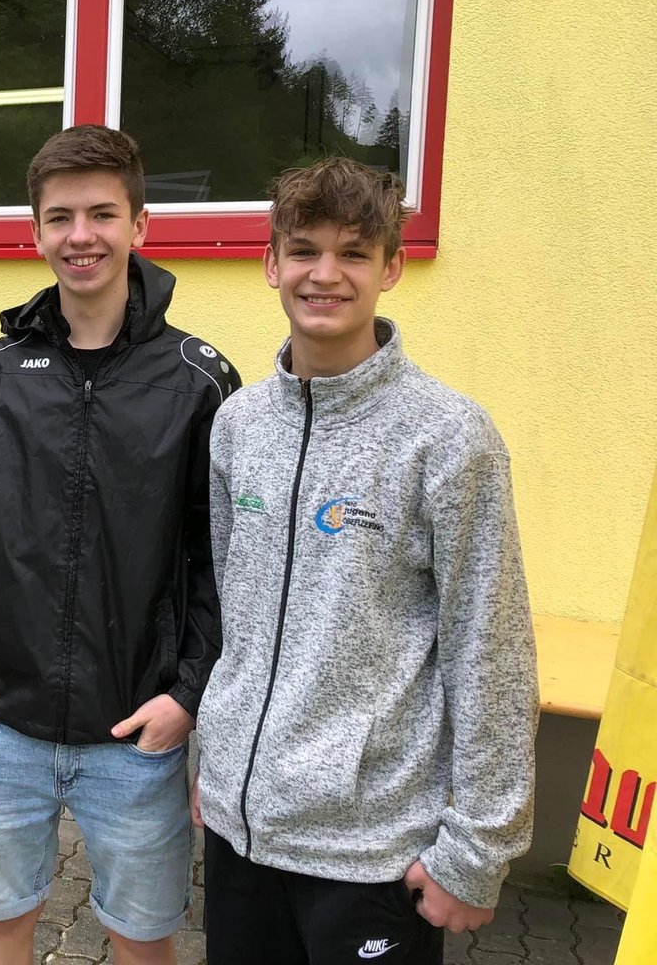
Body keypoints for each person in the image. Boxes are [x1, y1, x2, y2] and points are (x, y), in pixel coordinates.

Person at [193, 156, 538, 965]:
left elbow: (491, 650)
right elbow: (237, 620)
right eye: (304, 250)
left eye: (353, 252)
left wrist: (477, 853)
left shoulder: (448, 437)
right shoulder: (238, 425)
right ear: (271, 264)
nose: (325, 274)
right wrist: (220, 767)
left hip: (373, 851)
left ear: (392, 267)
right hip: (242, 835)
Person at [0, 124, 238, 965]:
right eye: (60, 217)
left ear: (141, 224)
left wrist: (188, 695)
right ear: (35, 232)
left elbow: (220, 562)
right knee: (1, 924)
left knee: (141, 937)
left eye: (102, 214)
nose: (81, 236)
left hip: (137, 735)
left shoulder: (200, 381)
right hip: (4, 726)